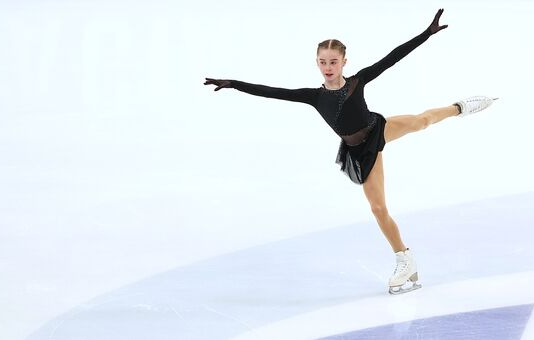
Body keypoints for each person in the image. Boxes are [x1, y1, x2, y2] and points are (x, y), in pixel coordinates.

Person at [204, 8, 497, 294]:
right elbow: (272, 91)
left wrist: (426, 34)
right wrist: (234, 84)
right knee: (378, 207)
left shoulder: (359, 81)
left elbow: (393, 57)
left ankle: (459, 108)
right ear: (317, 63)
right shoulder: (313, 96)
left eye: (333, 61)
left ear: (344, 61)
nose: (328, 67)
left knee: (420, 123)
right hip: (357, 150)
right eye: (322, 61)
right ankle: (405, 258)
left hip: (377, 129)